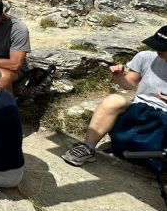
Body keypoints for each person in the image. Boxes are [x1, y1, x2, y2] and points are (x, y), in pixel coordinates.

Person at [62, 25, 167, 167]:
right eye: (157, 46)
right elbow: (129, 84)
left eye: (163, 48)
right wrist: (119, 77)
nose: (158, 50)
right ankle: (88, 147)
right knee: (113, 100)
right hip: (141, 108)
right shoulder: (146, 57)